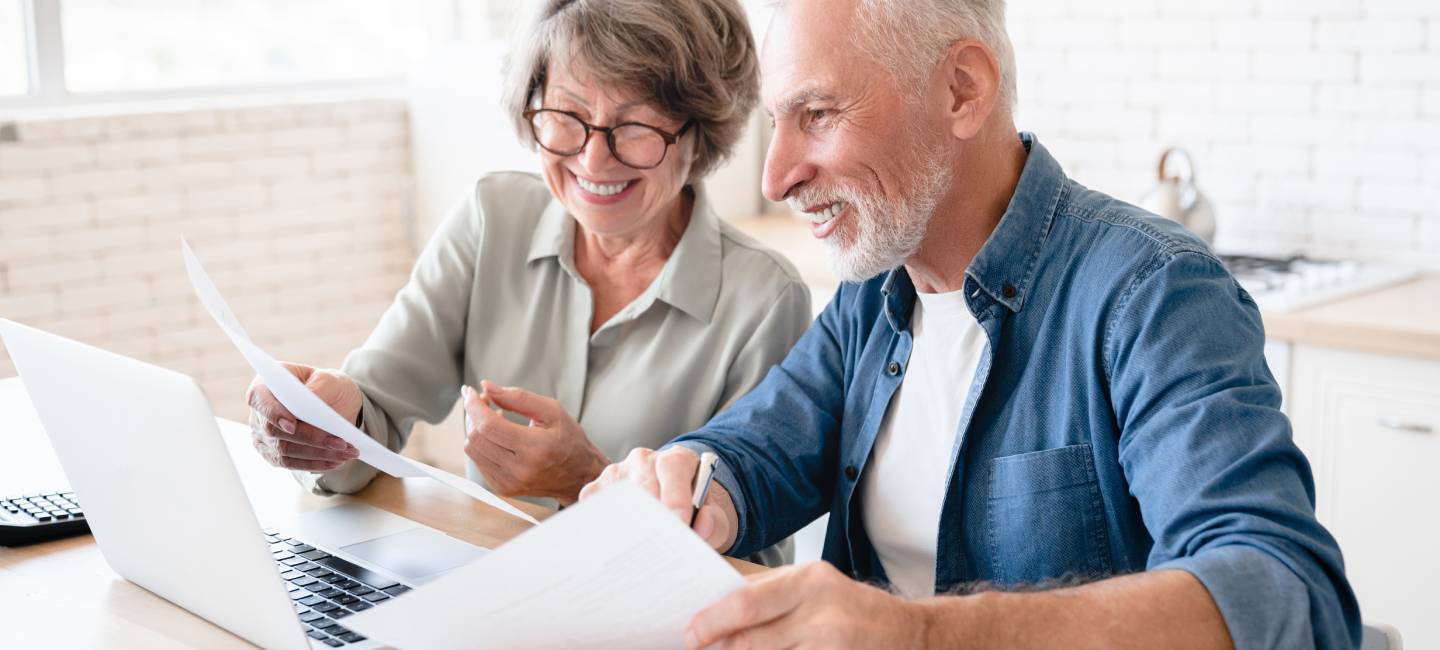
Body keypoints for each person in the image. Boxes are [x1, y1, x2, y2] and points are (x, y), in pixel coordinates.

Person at [579, 0, 1361, 646]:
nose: (777, 175)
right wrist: (689, 484)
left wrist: (920, 635)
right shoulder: (878, 287)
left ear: (962, 90)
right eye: (777, 123)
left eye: (816, 114)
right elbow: (759, 450)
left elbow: (1283, 591)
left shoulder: (1152, 291)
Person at [243, 0, 810, 565]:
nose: (592, 158)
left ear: (699, 131)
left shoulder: (764, 298)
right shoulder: (493, 218)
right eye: (565, 115)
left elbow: (752, 570)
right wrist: (327, 423)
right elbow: (374, 417)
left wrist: (584, 481)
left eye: (634, 126)